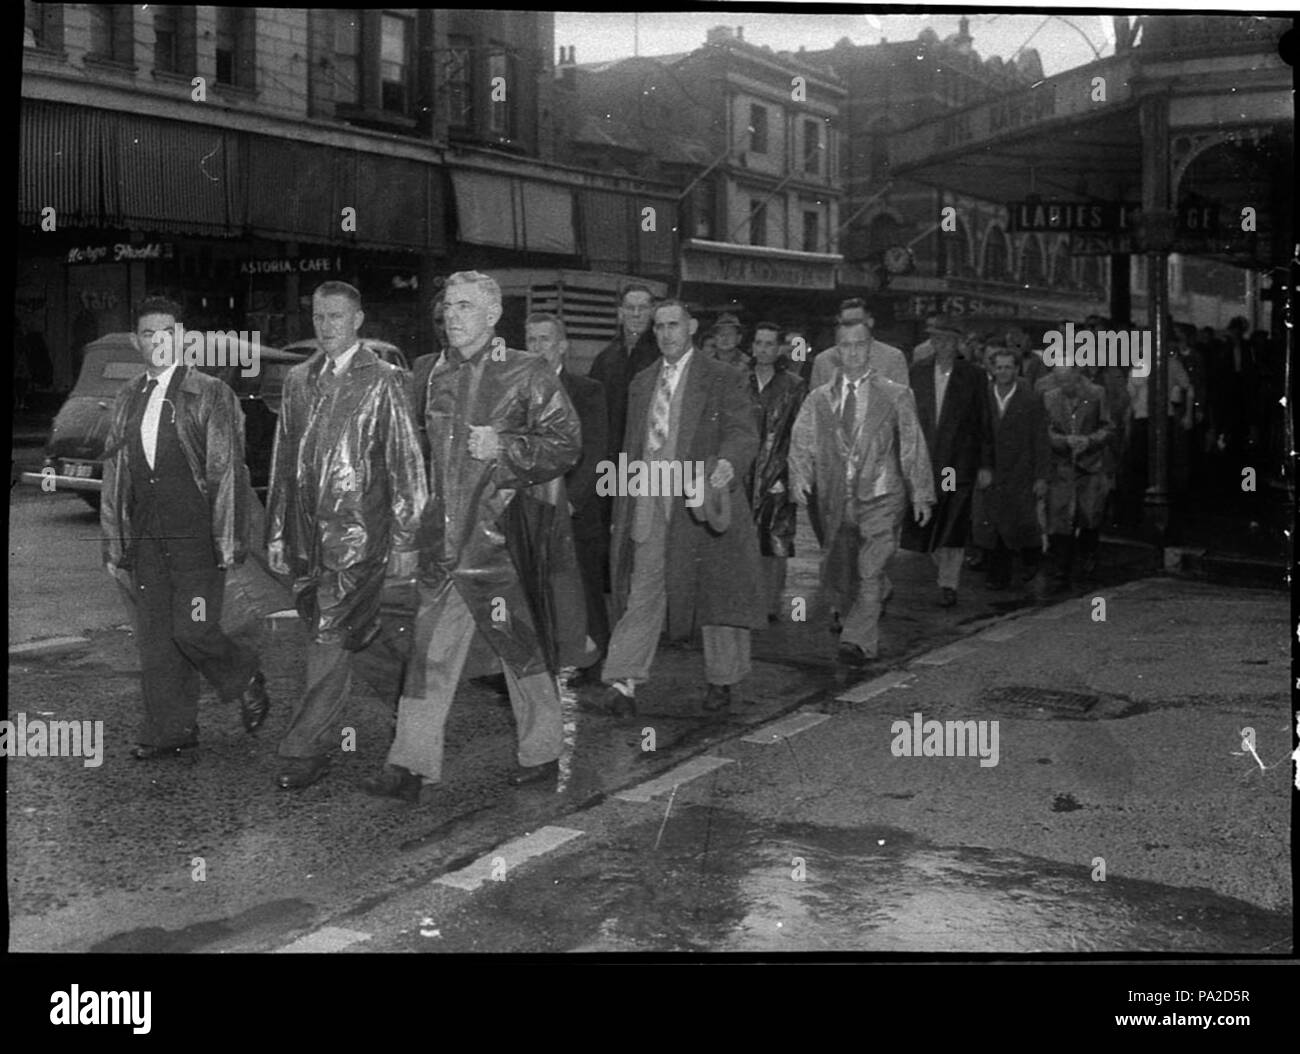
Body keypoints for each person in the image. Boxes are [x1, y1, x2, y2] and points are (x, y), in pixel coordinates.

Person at [365, 271, 581, 800]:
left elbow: (566, 443)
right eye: (448, 307)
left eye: (464, 306)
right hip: (442, 546)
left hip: (497, 546)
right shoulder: (427, 373)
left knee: (519, 651)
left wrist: (505, 446)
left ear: (492, 315)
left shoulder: (527, 372)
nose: (452, 316)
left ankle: (544, 752)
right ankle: (410, 764)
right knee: (426, 655)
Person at [266, 281, 427, 790]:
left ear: (358, 320)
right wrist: (276, 530)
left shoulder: (385, 380)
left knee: (328, 634)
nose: (325, 325)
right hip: (308, 537)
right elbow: (283, 459)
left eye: (336, 316)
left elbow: (407, 464)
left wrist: (406, 539)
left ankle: (304, 749)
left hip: (360, 535)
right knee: (357, 633)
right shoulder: (297, 380)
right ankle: (417, 705)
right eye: (318, 315)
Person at [101, 295, 270, 759]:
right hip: (147, 537)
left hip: (196, 536)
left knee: (191, 629)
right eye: (148, 334)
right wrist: (115, 545)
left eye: (166, 332)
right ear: (137, 341)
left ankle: (245, 674)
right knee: (156, 638)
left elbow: (226, 471)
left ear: (181, 337)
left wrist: (228, 539)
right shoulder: (126, 396)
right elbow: (116, 477)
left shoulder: (210, 392)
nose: (158, 341)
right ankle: (170, 730)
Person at [581, 299, 764, 717]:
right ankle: (623, 682)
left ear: (692, 327)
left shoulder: (723, 377)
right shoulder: (643, 382)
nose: (666, 334)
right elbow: (631, 447)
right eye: (659, 326)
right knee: (642, 590)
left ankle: (723, 679)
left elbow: (743, 432)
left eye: (674, 325)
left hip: (700, 503)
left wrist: (727, 464)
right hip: (649, 502)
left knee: (715, 593)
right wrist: (621, 506)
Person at [789, 319, 935, 666]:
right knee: (843, 566)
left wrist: (922, 493)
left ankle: (858, 641)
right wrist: (799, 475)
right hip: (838, 498)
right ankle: (867, 600)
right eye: (846, 346)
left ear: (871, 348)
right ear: (836, 351)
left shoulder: (896, 394)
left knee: (869, 568)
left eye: (860, 345)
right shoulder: (819, 398)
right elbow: (802, 440)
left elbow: (913, 445)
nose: (853, 353)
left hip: (883, 495)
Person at [525, 311, 610, 682]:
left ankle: (596, 662)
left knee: (584, 588)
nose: (537, 347)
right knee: (532, 589)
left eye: (545, 339)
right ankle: (533, 663)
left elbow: (596, 450)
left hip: (575, 508)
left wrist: (573, 500)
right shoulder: (518, 388)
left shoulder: (588, 390)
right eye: (531, 340)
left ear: (562, 346)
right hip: (529, 507)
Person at [901, 313, 993, 607]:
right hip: (924, 460)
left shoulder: (974, 376)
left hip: (955, 462)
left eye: (946, 340)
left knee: (952, 515)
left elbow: (984, 420)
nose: (940, 345)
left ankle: (948, 583)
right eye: (936, 339)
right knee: (925, 517)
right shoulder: (917, 372)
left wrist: (985, 464)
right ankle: (941, 564)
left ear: (957, 343)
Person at [971, 348, 1050, 589]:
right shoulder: (983, 396)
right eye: (999, 367)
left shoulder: (1031, 399)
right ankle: (998, 575)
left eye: (1008, 367)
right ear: (992, 369)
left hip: (1021, 470)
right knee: (993, 521)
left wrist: (1041, 476)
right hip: (992, 470)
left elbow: (1040, 439)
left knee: (1022, 522)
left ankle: (1031, 560)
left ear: (1017, 370)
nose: (1003, 372)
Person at [747, 321, 806, 621]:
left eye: (769, 343)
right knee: (743, 537)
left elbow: (799, 433)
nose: (763, 349)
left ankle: (769, 604)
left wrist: (789, 475)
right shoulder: (738, 380)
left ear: (780, 348)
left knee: (775, 539)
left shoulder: (793, 386)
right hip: (743, 472)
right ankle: (745, 598)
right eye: (759, 342)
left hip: (778, 472)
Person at [1044, 363, 1114, 585]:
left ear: (1077, 376)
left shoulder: (1096, 393)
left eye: (1068, 380)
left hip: (1090, 464)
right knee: (1059, 516)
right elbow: (1045, 431)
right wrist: (1064, 441)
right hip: (1061, 466)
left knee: (1089, 515)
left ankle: (1088, 559)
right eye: (1060, 381)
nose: (1064, 386)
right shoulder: (1049, 397)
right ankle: (1060, 567)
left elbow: (1109, 427)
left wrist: (1090, 440)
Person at [587, 282, 660, 457]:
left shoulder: (663, 357)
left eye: (642, 308)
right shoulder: (605, 359)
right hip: (612, 457)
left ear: (652, 312)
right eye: (630, 308)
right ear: (620, 313)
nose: (636, 314)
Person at [809, 297, 909, 388]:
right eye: (847, 323)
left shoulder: (893, 358)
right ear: (839, 323)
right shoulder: (823, 361)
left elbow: (902, 401)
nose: (853, 328)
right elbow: (814, 404)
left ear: (870, 322)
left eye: (857, 322)